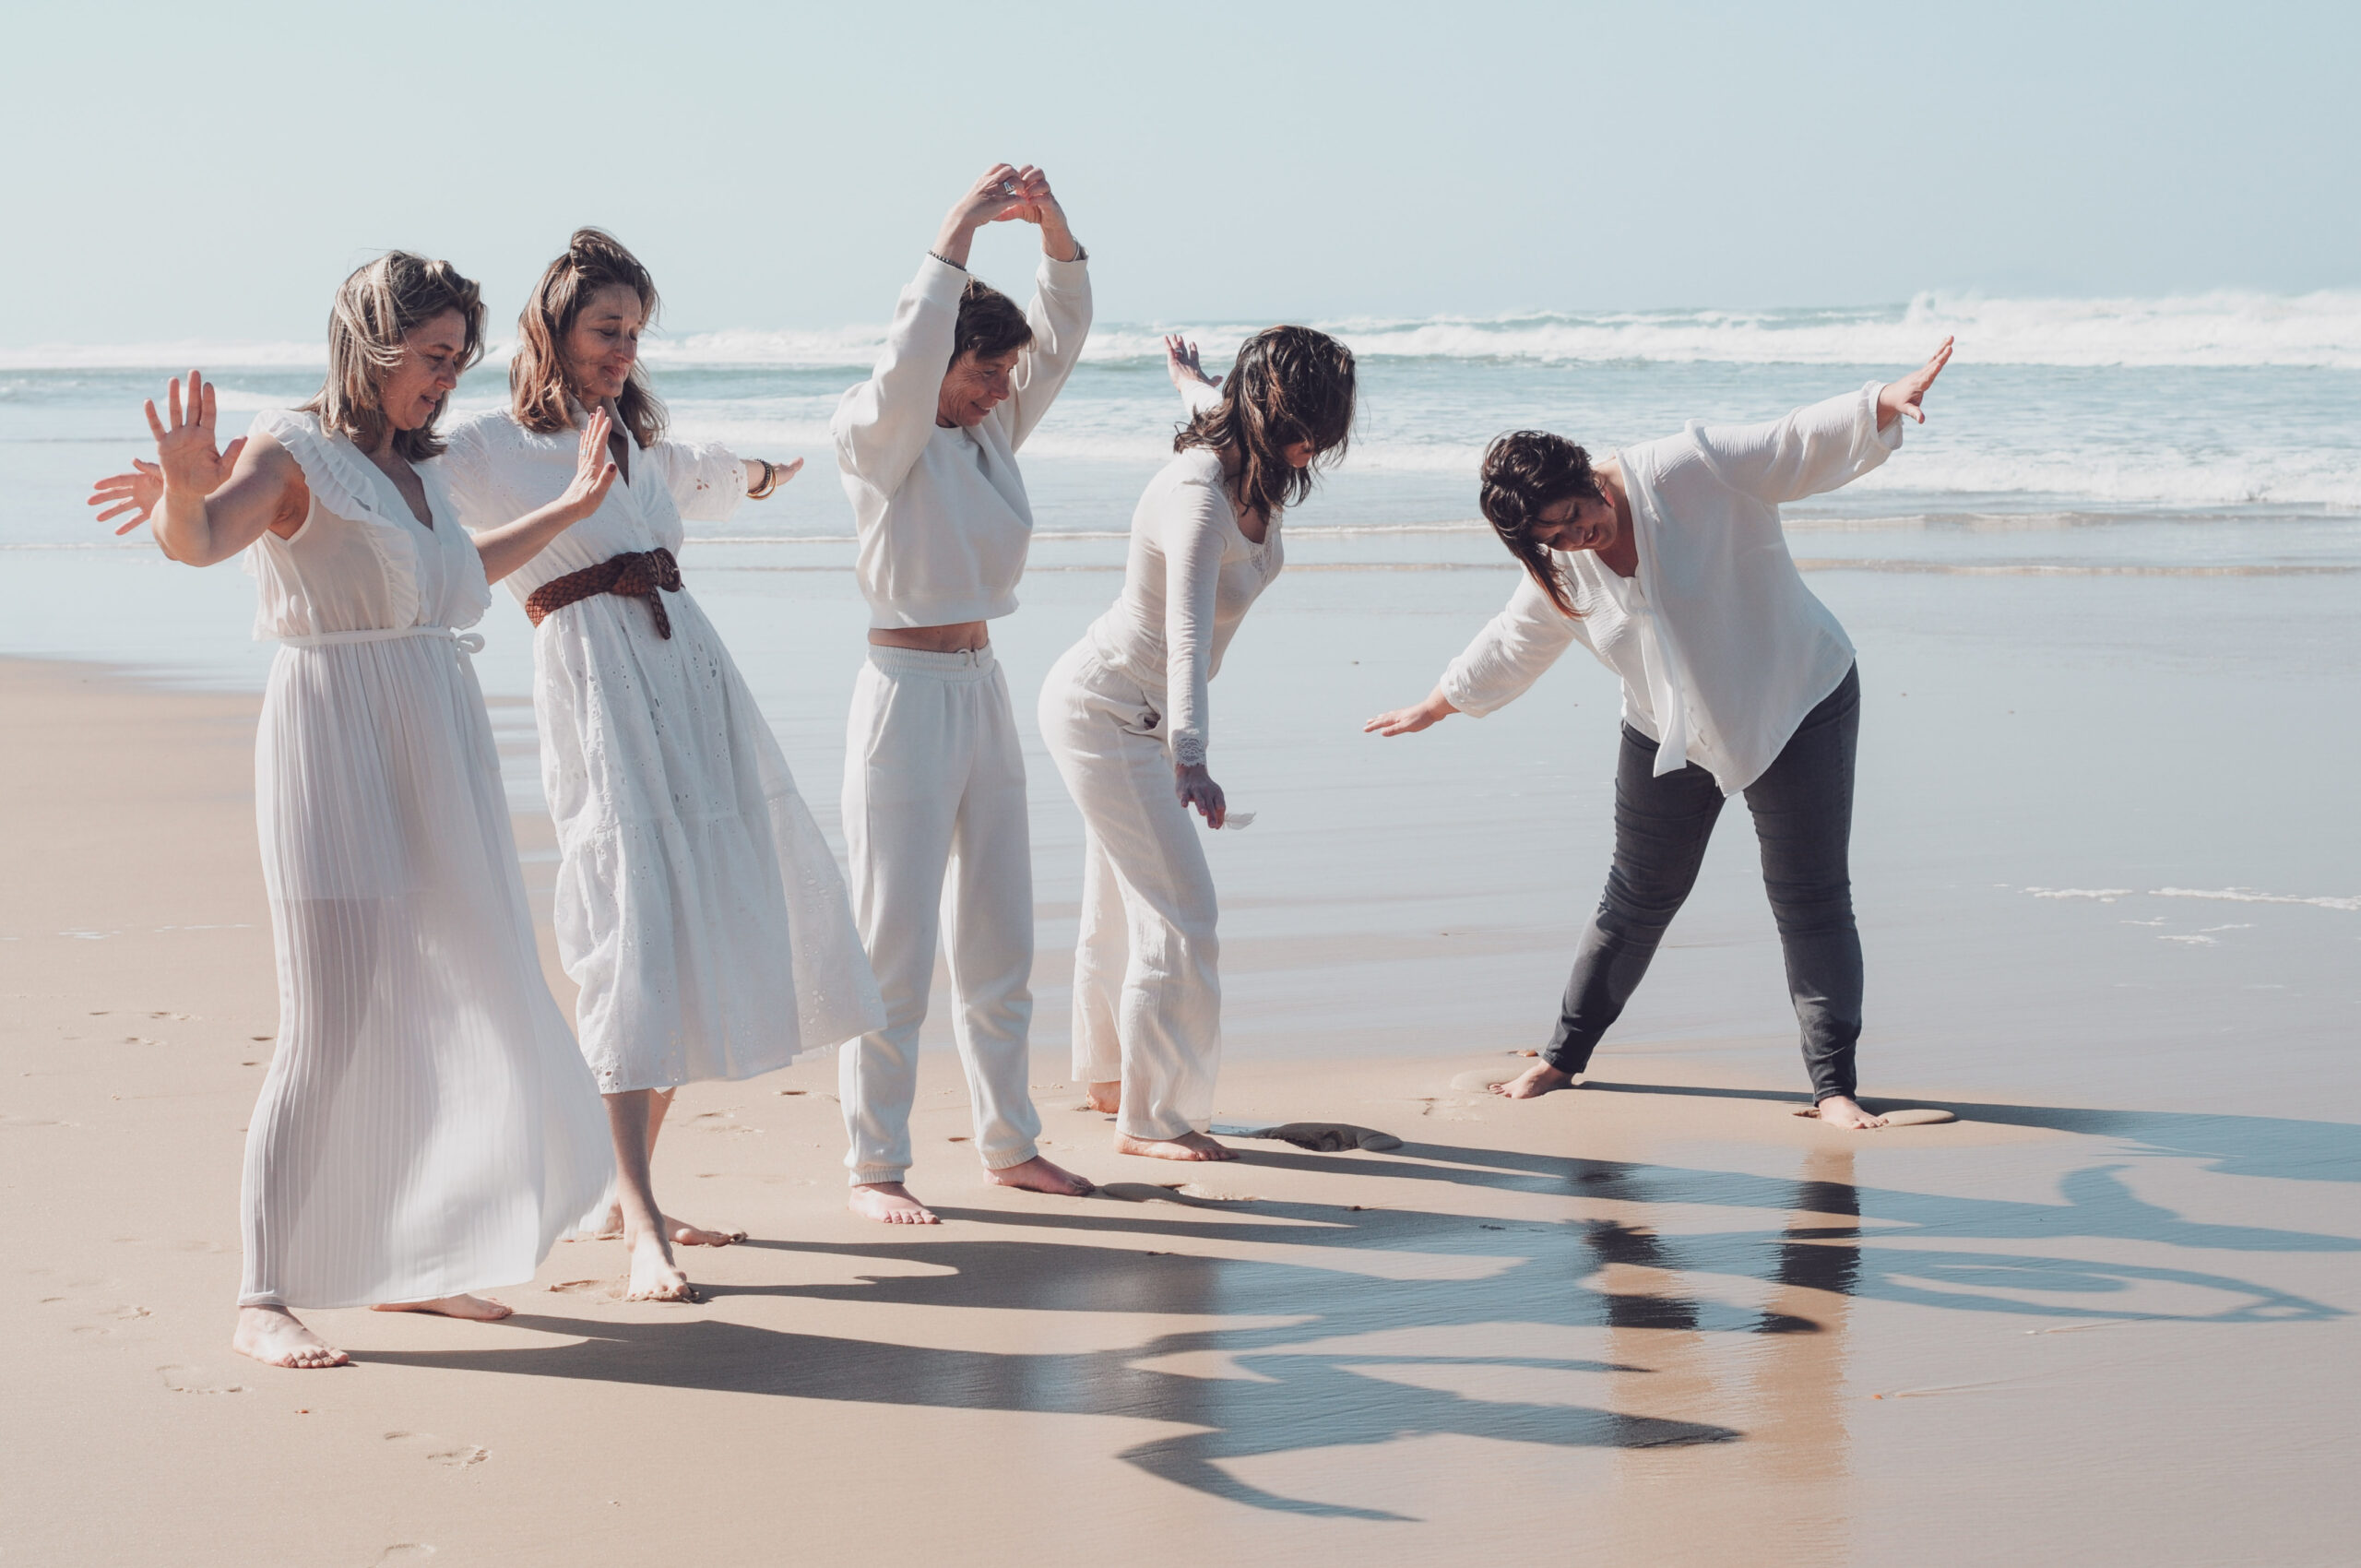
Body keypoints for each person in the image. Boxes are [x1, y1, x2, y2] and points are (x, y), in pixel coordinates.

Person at [85, 254, 614, 1366]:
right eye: (430, 357)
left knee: (452, 997)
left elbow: (453, 577)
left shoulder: (416, 476)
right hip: (334, 742)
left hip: (438, 739)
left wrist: (572, 508)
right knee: (329, 1020)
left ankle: (411, 1266)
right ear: (371, 344)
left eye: (458, 360)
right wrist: (185, 490)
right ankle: (262, 1290)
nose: (444, 380)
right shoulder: (295, 452)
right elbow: (205, 539)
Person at [439, 230, 884, 1301]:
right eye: (606, 328)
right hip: (594, 693)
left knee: (693, 929)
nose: (624, 349)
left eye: (636, 331)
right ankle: (639, 1220)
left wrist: (775, 472)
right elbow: (382, 484)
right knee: (630, 933)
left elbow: (717, 475)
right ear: (552, 328)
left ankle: (622, 1188)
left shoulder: (635, 442)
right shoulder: (487, 448)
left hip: (692, 689)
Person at [1365, 342, 1956, 1130]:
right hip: (1667, 728)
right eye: (1556, 535)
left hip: (1797, 700)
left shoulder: (1687, 468)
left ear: (1587, 477)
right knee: (1636, 895)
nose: (1578, 535)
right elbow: (1516, 637)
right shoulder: (1557, 565)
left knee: (1810, 897)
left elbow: (1792, 442)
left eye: (1578, 513)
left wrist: (1880, 402)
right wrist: (1438, 703)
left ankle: (1833, 1087)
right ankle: (1562, 1056)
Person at [829, 164, 1096, 1222]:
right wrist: (956, 231)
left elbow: (1062, 330)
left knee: (999, 931)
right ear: (940, 358)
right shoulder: (875, 430)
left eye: (1003, 376)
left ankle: (1009, 1142)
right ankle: (873, 1163)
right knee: (891, 937)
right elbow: (908, 352)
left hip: (982, 687)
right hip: (902, 696)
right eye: (983, 371)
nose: (1000, 389)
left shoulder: (985, 427)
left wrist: (1053, 231)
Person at [1038, 329, 1356, 1160]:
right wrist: (1191, 757)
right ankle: (1151, 1120)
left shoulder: (1257, 451)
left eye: (1323, 427)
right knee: (1184, 918)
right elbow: (1185, 637)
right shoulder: (1198, 496)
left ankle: (1110, 1077)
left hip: (1135, 713)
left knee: (1121, 905)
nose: (1310, 443)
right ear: (1264, 409)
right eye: (1301, 423)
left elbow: (1210, 407)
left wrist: (1189, 381)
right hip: (1105, 711)